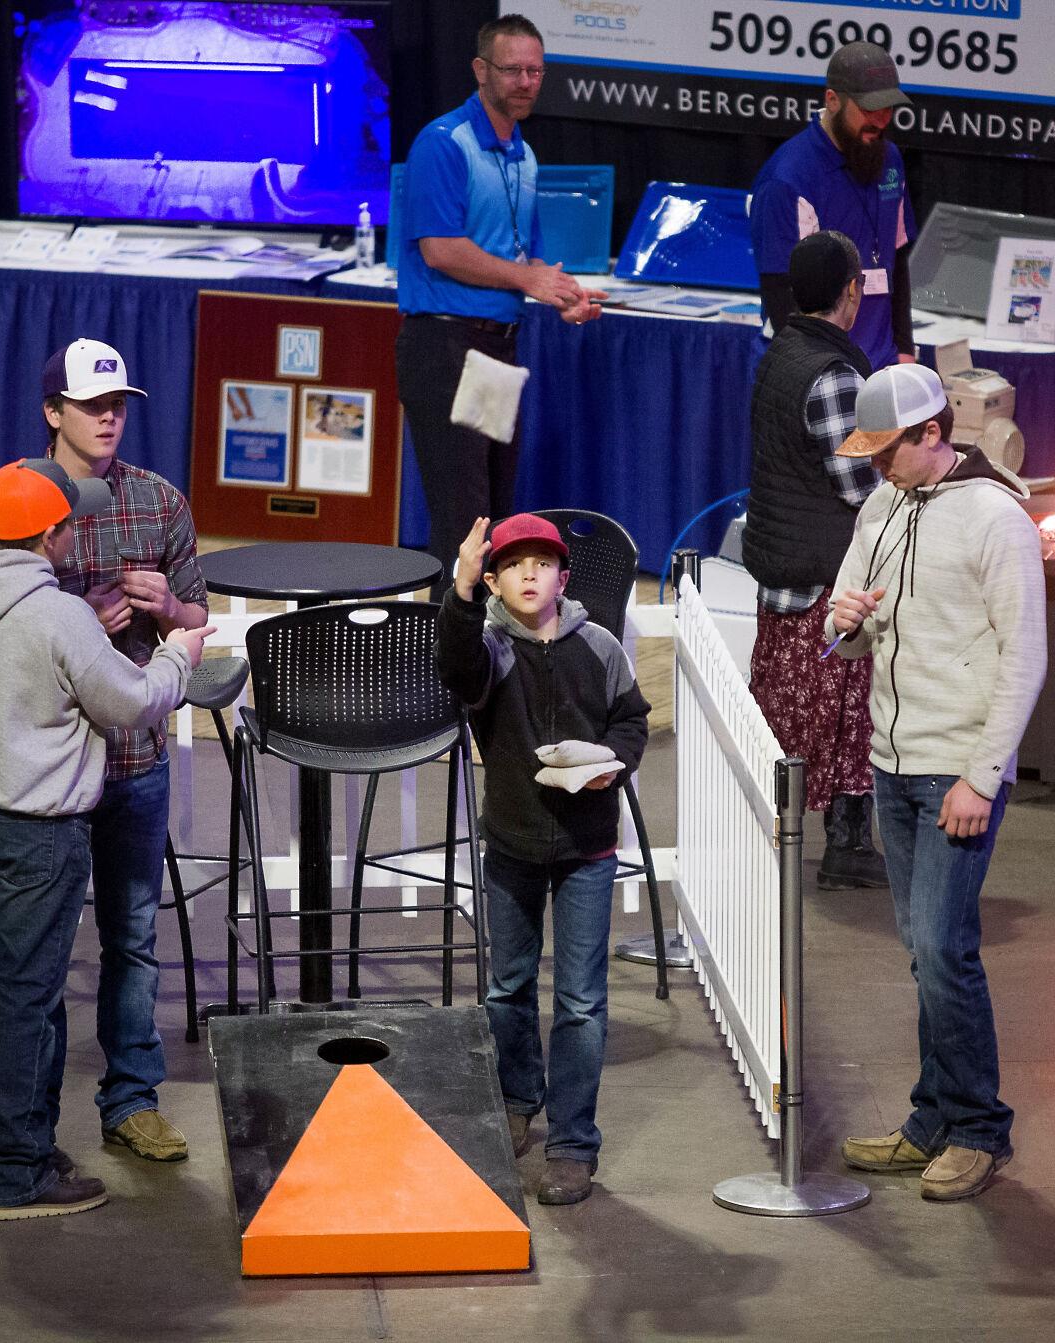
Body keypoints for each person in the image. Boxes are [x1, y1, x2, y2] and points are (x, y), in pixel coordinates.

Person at [0, 458, 211, 1219]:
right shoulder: (58, 615)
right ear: (50, 536)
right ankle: (19, 1173)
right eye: (70, 522)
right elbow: (131, 702)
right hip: (35, 829)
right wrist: (178, 656)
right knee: (23, 994)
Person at [0, 337, 209, 1162]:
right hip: (46, 770)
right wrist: (78, 624)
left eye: (118, 405)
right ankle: (28, 1127)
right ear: (52, 412)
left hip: (134, 759)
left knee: (132, 936)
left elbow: (197, 622)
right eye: (91, 405)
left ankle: (132, 1100)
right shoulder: (12, 504)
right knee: (36, 952)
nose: (109, 418)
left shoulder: (159, 501)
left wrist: (170, 607)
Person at [823, 363, 1046, 1201]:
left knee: (945, 950)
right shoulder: (880, 508)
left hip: (956, 768)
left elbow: (1024, 658)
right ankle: (931, 1119)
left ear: (931, 434)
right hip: (893, 762)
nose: (879, 467)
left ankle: (979, 1128)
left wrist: (980, 778)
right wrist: (846, 624)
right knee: (924, 952)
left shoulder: (997, 518)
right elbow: (848, 630)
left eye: (889, 450)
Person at [435, 512, 650, 1207]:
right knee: (508, 987)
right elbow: (456, 667)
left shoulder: (599, 645)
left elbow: (631, 718)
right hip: (513, 842)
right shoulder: (490, 647)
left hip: (587, 846)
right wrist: (461, 589)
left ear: (563, 577)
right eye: (512, 565)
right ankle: (515, 1099)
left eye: (543, 563)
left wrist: (612, 766)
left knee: (582, 1001)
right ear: (495, 581)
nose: (529, 574)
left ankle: (573, 1143)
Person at [396, 14, 604, 597]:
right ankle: (447, 645)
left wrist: (563, 295)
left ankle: (482, 640)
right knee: (461, 519)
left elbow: (523, 260)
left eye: (536, 71)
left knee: (490, 513)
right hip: (445, 345)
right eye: (513, 70)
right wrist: (528, 279)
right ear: (480, 70)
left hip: (495, 348)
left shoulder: (524, 155)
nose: (526, 82)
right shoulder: (444, 143)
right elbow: (440, 250)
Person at [743, 230, 888, 889]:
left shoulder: (783, 351)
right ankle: (847, 848)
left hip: (784, 570)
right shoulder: (833, 375)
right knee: (846, 719)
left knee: (788, 720)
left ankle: (793, 837)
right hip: (823, 584)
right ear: (851, 291)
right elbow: (860, 484)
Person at [750, 41, 918, 371]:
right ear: (832, 100)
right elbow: (781, 295)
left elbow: (897, 258)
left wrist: (904, 349)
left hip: (881, 363)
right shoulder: (788, 179)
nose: (881, 120)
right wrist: (823, 375)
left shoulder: (889, 160)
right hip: (812, 368)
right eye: (869, 109)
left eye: (888, 109)